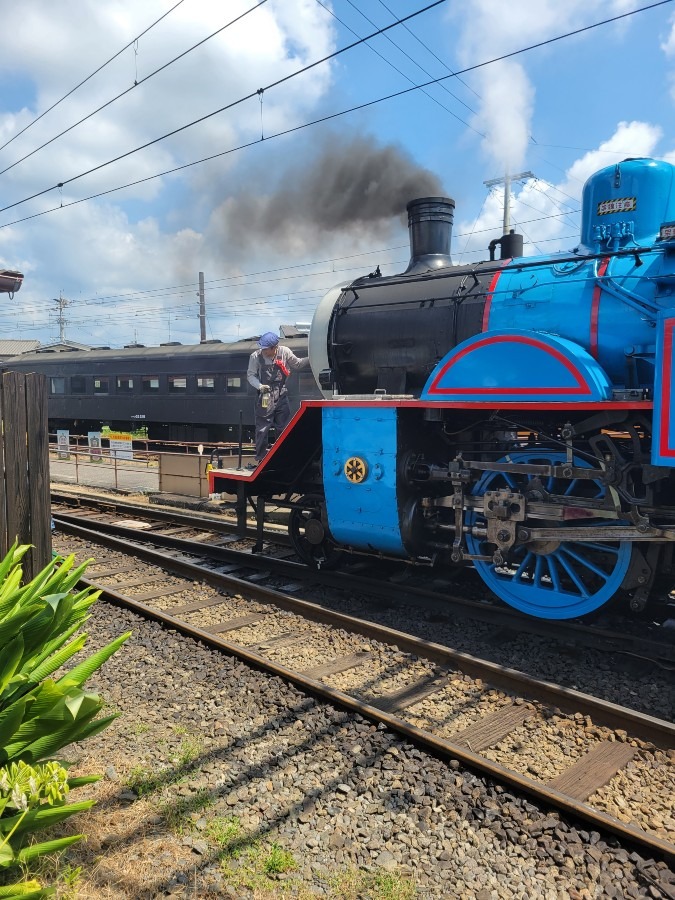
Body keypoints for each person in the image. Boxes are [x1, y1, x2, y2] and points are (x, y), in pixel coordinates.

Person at [246, 331, 310, 468]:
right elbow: (251, 375)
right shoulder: (255, 357)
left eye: (266, 348)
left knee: (283, 427)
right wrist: (260, 385)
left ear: (274, 347)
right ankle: (261, 458)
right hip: (265, 394)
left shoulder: (285, 352)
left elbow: (297, 364)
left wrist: (312, 357)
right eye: (262, 348)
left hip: (281, 394)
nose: (263, 351)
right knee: (263, 427)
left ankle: (283, 457)